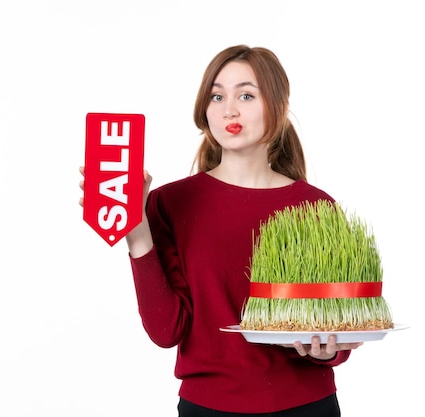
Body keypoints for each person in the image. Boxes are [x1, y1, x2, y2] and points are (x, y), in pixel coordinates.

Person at [79, 44, 362, 416]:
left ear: (276, 106)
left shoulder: (317, 207)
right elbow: (167, 331)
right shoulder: (169, 202)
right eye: (217, 96)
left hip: (307, 406)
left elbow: (339, 323)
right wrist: (137, 233)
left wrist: (330, 349)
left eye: (246, 94)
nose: (229, 109)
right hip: (208, 409)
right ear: (204, 110)